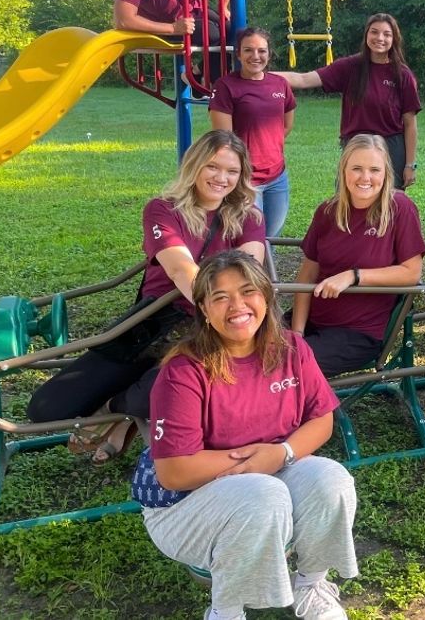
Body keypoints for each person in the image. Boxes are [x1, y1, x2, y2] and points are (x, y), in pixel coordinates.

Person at [135, 250, 358, 620]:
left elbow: (322, 421)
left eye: (247, 291)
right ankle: (226, 610)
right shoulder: (184, 370)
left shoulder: (291, 348)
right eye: (220, 297)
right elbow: (174, 471)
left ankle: (312, 586)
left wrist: (280, 453)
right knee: (263, 496)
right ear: (203, 309)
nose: (236, 305)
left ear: (266, 296)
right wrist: (255, 463)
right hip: (181, 504)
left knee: (331, 479)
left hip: (266, 475)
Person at [27, 130, 266, 463]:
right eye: (213, 167)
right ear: (195, 165)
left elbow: (249, 267)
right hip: (153, 319)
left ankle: (118, 413)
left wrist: (219, 318)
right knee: (47, 408)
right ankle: (133, 401)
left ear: (242, 177)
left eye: (232, 171)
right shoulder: (162, 209)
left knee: (171, 386)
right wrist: (218, 304)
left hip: (211, 326)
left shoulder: (248, 214)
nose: (222, 178)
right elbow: (182, 270)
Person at [293, 134, 425, 377]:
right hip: (312, 321)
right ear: (344, 170)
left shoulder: (400, 208)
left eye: (374, 170)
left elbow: (412, 272)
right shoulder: (327, 211)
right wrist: (297, 333)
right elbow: (306, 275)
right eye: (357, 168)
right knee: (249, 349)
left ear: (386, 172)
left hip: (357, 333)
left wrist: (353, 276)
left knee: (288, 367)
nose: (366, 178)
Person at [277, 13, 420, 189]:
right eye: (374, 32)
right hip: (355, 145)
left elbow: (410, 124)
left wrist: (409, 165)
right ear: (367, 34)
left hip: (391, 149)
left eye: (387, 34)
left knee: (390, 208)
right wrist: (261, 75)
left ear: (394, 39)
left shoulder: (403, 75)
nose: (380, 38)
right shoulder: (350, 67)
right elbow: (303, 80)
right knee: (348, 205)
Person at [208, 27, 295, 239]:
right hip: (246, 180)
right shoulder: (226, 86)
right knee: (249, 240)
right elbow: (224, 139)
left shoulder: (280, 84)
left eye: (262, 50)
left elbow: (286, 125)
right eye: (248, 50)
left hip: (277, 177)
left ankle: (265, 273)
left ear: (269, 53)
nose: (255, 56)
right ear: (238, 53)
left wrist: (267, 147)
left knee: (271, 239)